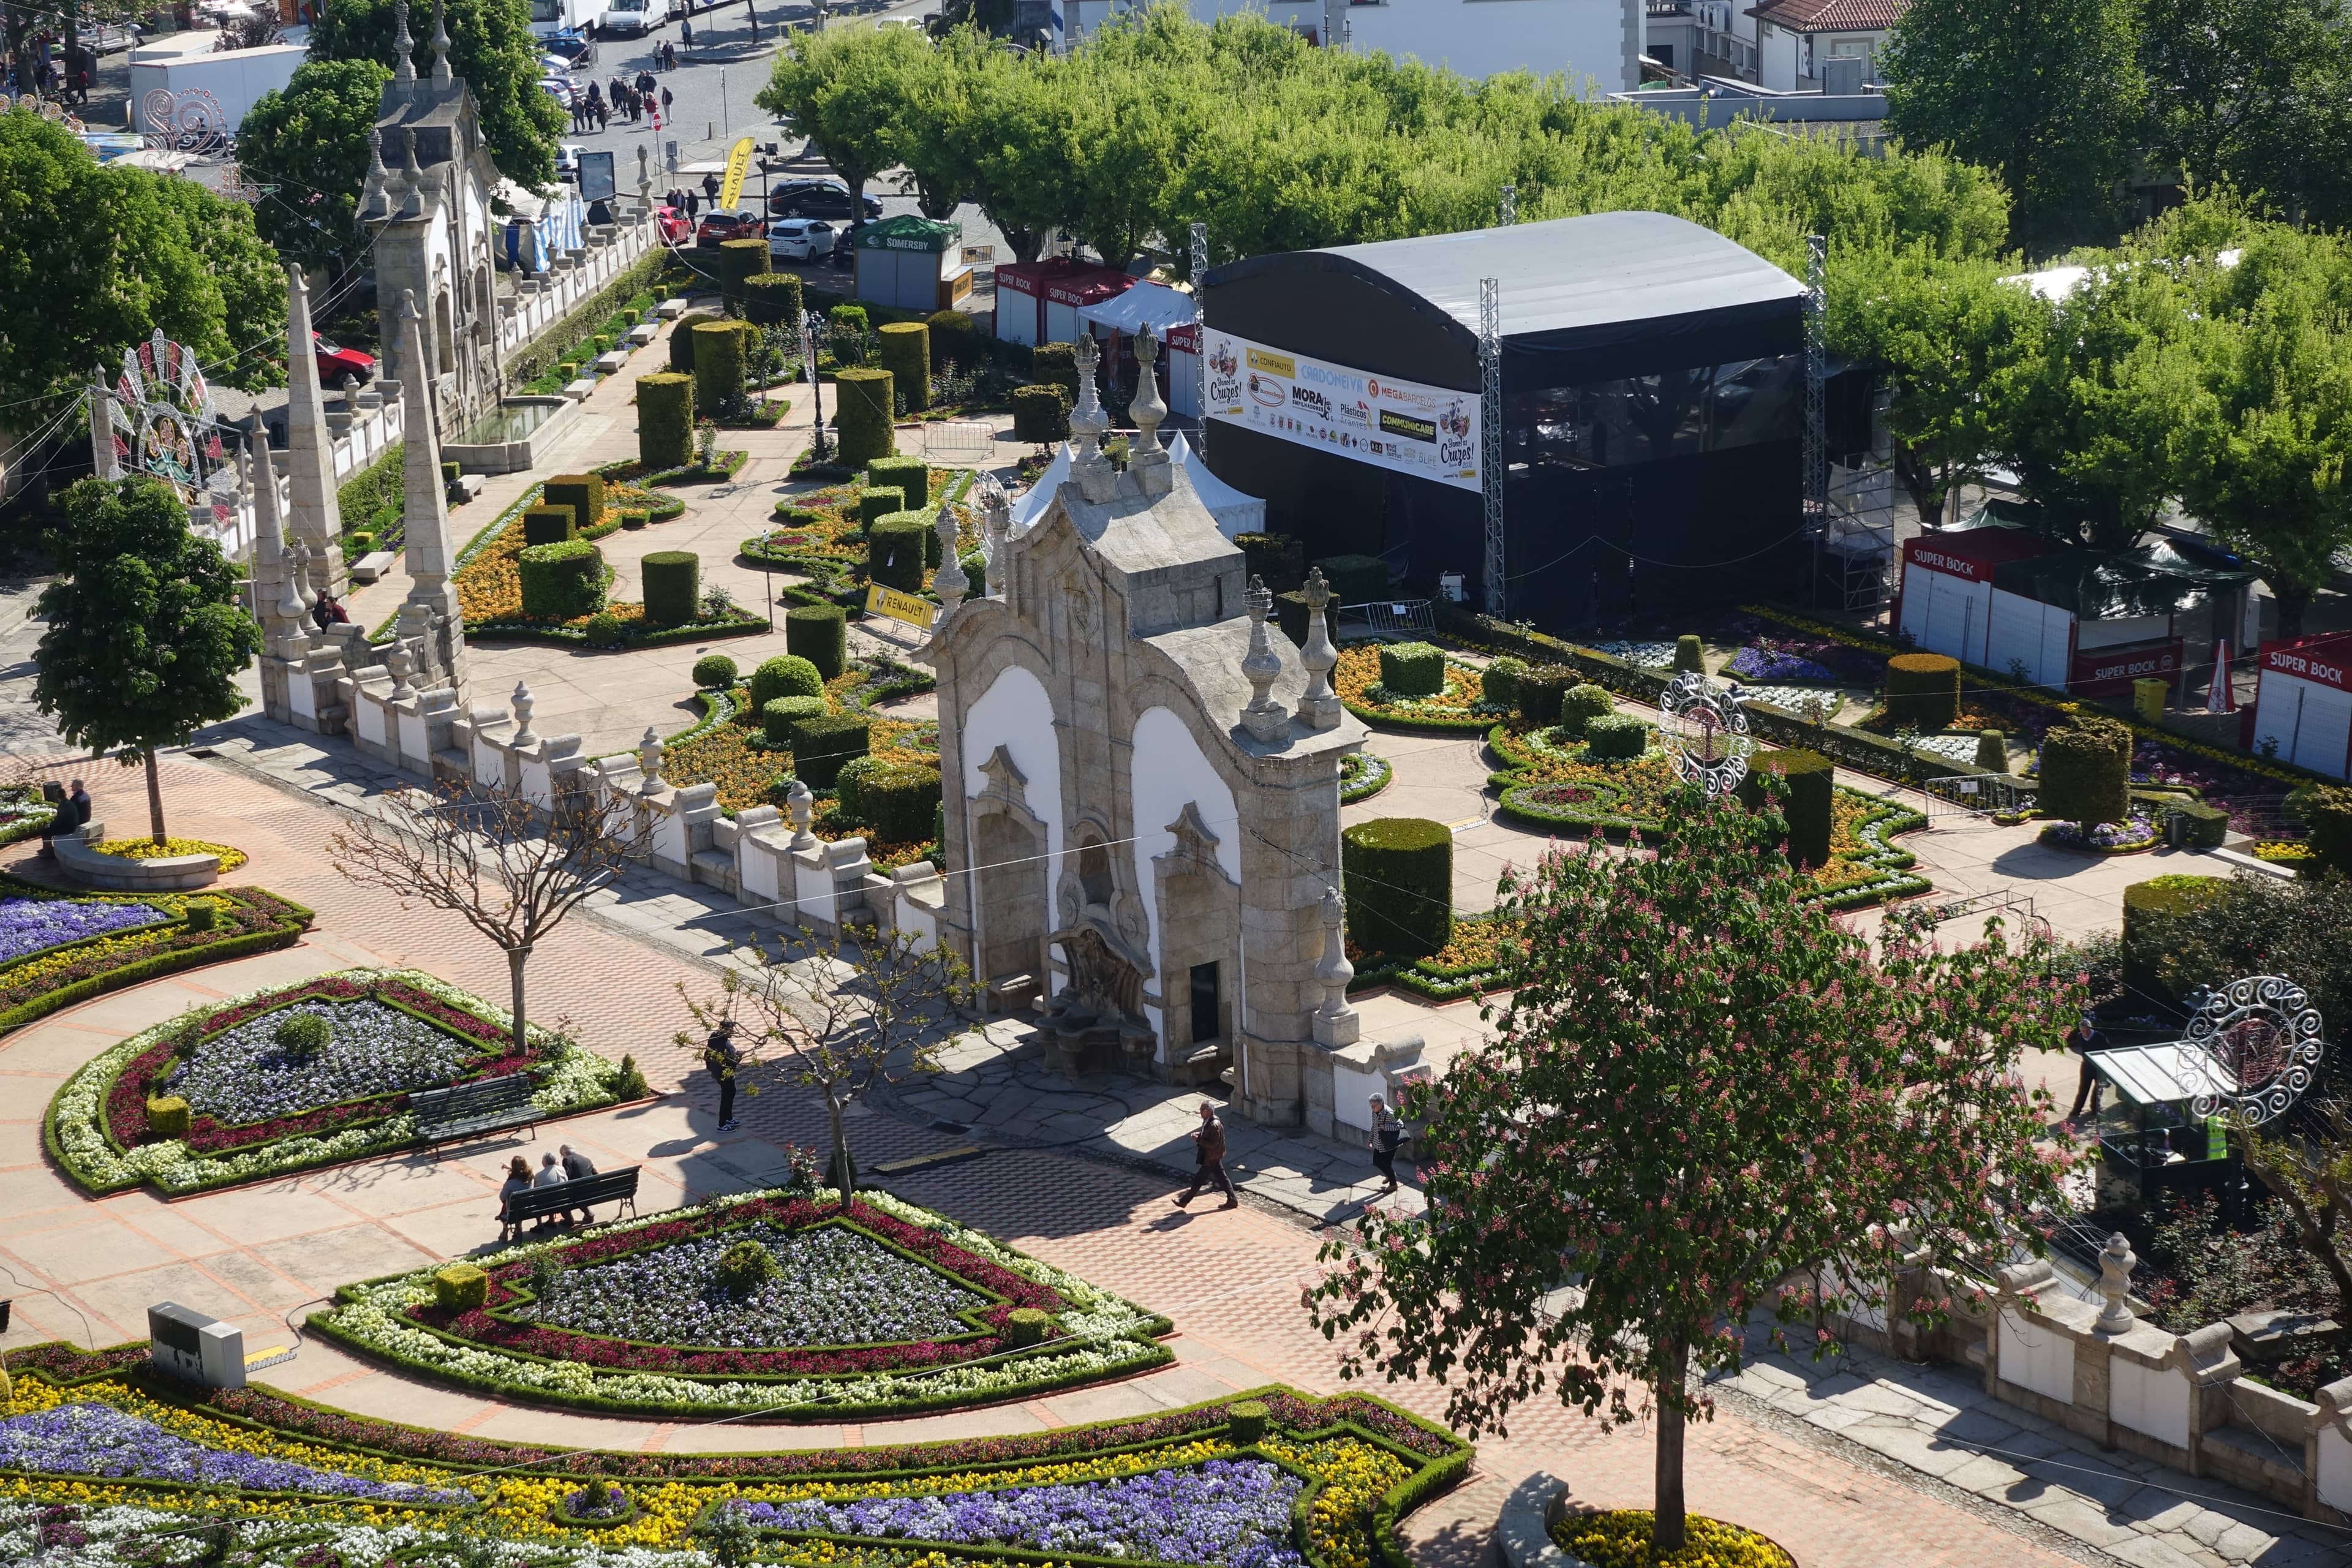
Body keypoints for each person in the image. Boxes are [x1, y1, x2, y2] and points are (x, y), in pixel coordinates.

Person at [1174, 1100, 1237, 1210]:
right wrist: (1200, 1135)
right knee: (1222, 1178)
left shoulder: (1214, 1125)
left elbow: (1213, 1144)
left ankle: (1184, 1201)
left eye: (1204, 1110)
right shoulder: (1208, 1121)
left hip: (1211, 1157)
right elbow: (1209, 1137)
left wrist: (1198, 1139)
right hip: (1214, 1156)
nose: (1201, 1112)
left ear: (1210, 1111)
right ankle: (1232, 1200)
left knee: (1199, 1180)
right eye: (1201, 1109)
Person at [2065, 1012, 2109, 1125]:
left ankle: (2095, 1109)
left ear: (2090, 1029)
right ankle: (2076, 1111)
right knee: (2083, 1090)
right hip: (2086, 1066)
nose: (2084, 1033)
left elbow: (2108, 1050)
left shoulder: (2100, 1037)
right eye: (2082, 1030)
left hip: (2099, 1067)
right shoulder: (2079, 1036)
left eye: (2086, 1030)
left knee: (2098, 1090)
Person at [704, 1016, 743, 1132]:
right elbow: (733, 1062)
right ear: (724, 1030)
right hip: (725, 1074)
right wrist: (739, 1055)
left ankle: (729, 1118)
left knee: (730, 1094)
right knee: (727, 1096)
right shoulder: (727, 1046)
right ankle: (722, 1124)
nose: (732, 1032)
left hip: (716, 1070)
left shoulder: (714, 1037)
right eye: (730, 1030)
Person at [1366, 1095, 1404, 1196]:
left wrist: (1386, 1127)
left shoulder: (1389, 1113)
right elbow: (1374, 1126)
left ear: (1381, 1104)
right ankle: (1390, 1175)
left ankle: (1393, 1184)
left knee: (1386, 1164)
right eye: (1371, 1106)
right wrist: (1370, 1140)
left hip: (1389, 1144)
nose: (1372, 1108)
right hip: (1379, 1143)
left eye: (1374, 1106)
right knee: (1376, 1162)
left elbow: (1400, 1125)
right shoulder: (1375, 1112)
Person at [494, 1155, 534, 1242]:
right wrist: (510, 1168)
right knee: (518, 1204)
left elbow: (502, 1197)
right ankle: (518, 1228)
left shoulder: (510, 1183)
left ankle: (505, 1229)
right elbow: (521, 1173)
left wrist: (512, 1169)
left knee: (507, 1204)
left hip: (513, 1212)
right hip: (527, 1208)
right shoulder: (530, 1177)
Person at [559, 1143, 598, 1226]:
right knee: (580, 1191)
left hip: (578, 1193)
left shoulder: (567, 1160)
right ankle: (589, 1214)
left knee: (561, 1198)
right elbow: (596, 1174)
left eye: (562, 1155)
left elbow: (567, 1177)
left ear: (564, 1153)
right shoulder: (586, 1159)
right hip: (592, 1192)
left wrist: (558, 1170)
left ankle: (569, 1220)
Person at [529, 1150, 569, 1230]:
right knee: (552, 1194)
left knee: (538, 1198)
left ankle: (539, 1224)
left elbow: (535, 1191)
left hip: (546, 1204)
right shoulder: (562, 1169)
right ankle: (551, 1220)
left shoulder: (539, 1175)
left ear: (545, 1163)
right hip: (562, 1200)